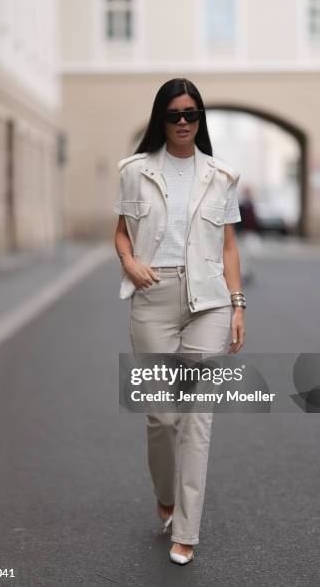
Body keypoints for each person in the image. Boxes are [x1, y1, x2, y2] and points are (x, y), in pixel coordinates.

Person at [113, 78, 246, 565]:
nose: (184, 122)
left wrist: (237, 304)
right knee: (159, 416)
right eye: (175, 115)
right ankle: (165, 497)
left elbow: (229, 246)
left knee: (197, 418)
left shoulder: (221, 176)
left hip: (207, 300)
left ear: (201, 118)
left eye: (192, 114)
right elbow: (122, 234)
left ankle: (186, 529)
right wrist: (128, 262)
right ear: (161, 119)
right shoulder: (134, 171)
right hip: (152, 297)